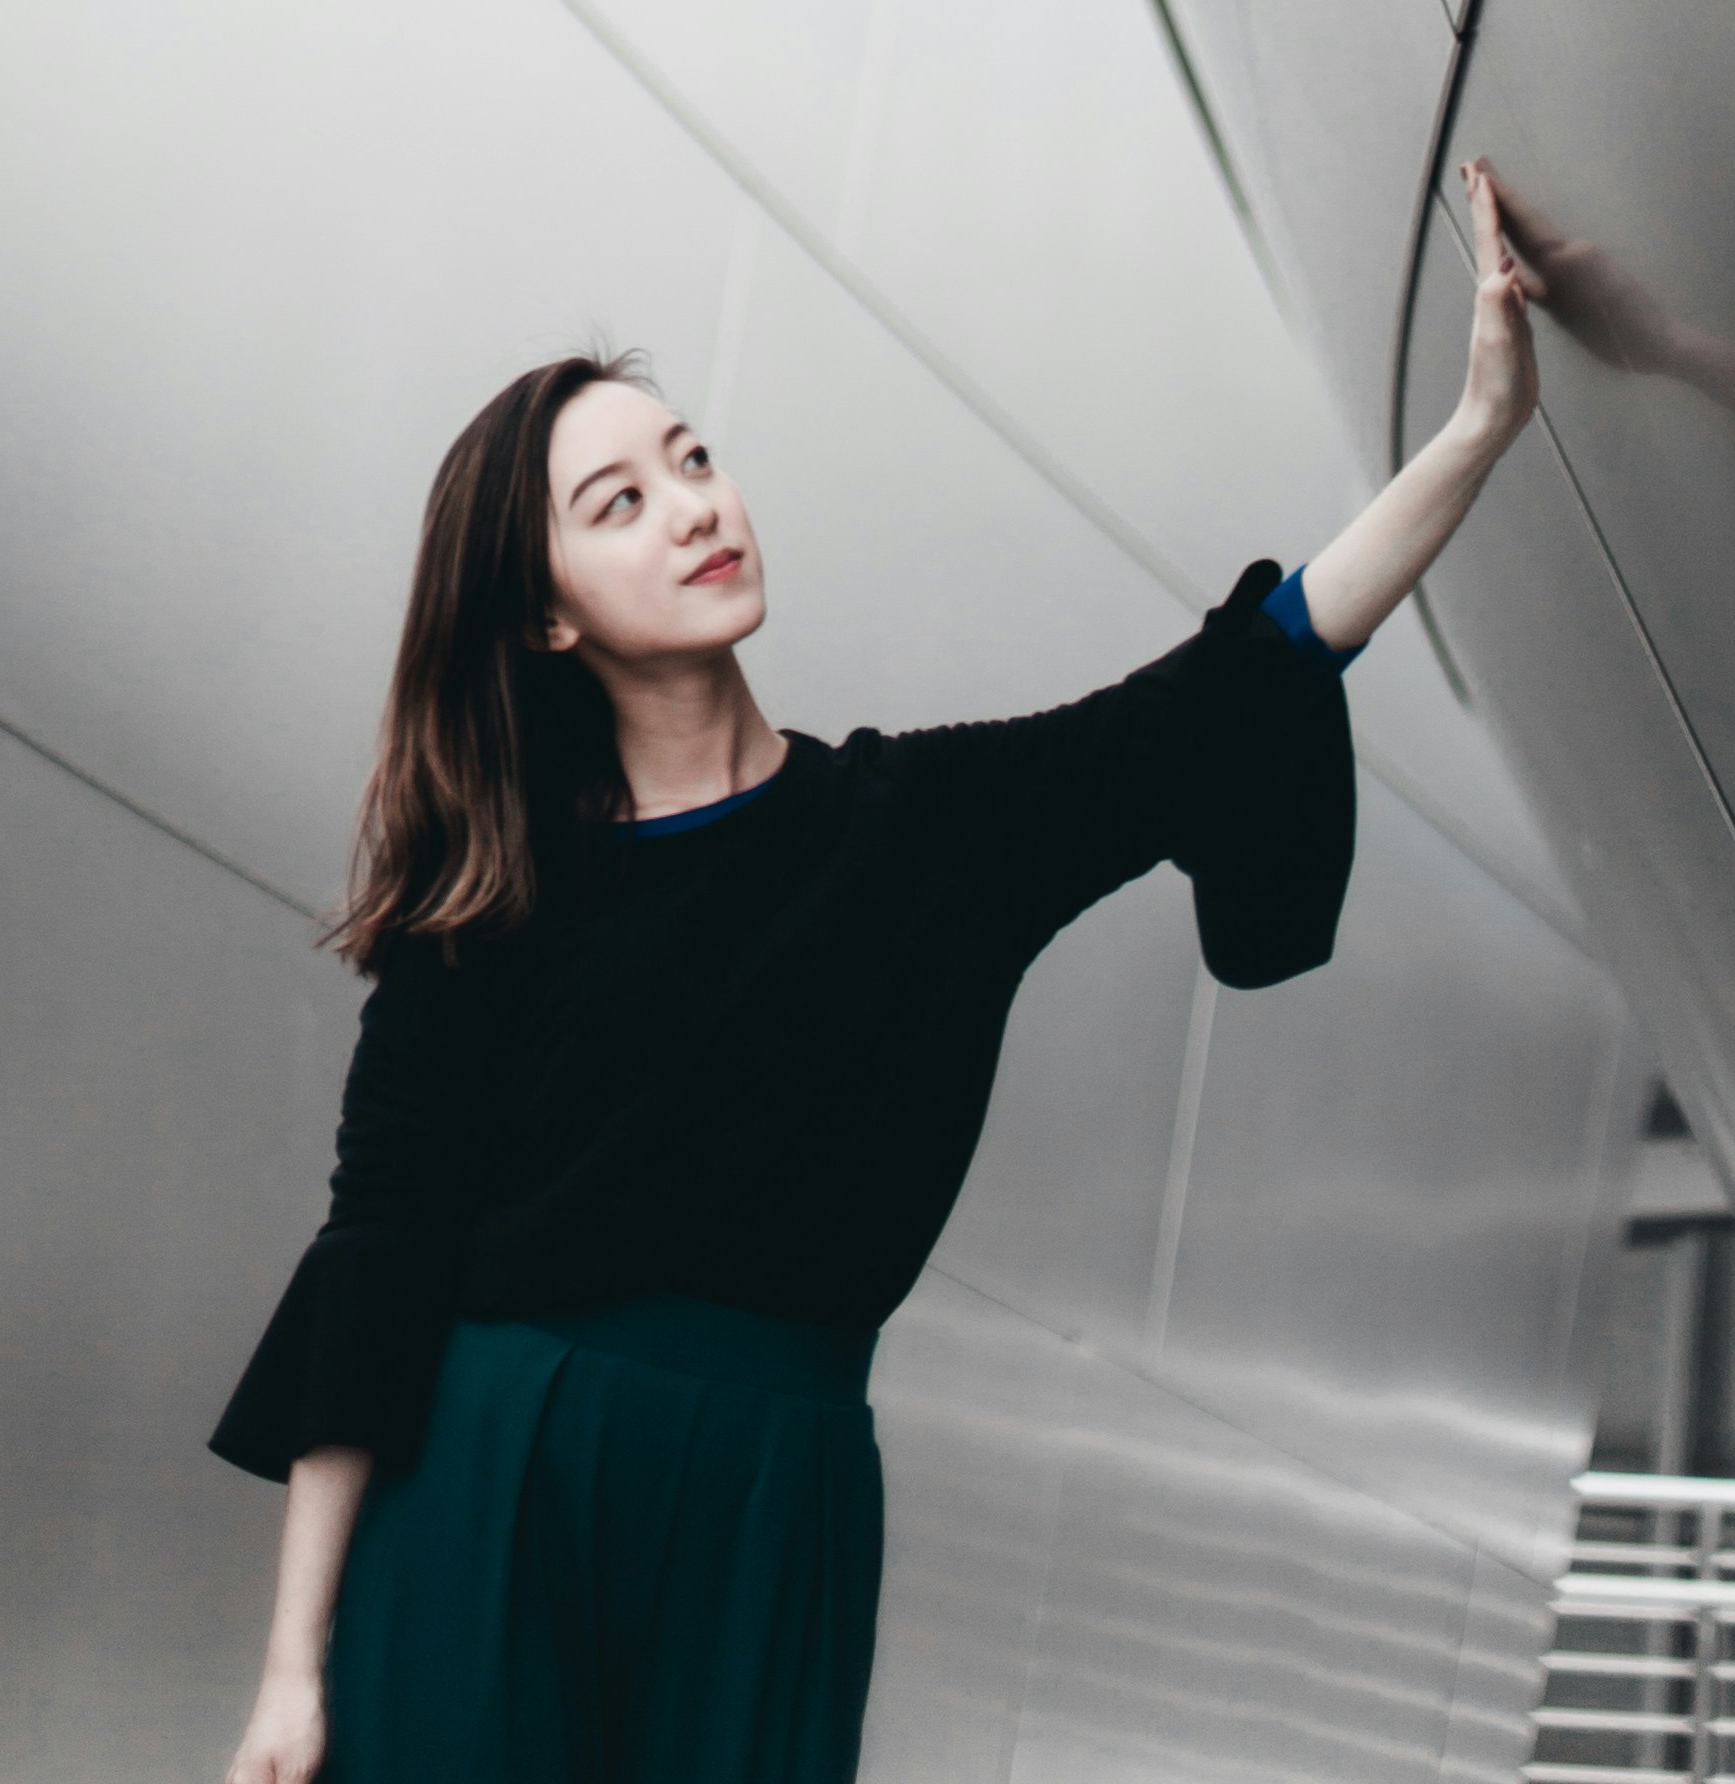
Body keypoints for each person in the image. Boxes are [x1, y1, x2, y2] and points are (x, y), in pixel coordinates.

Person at [208, 159, 1545, 1784]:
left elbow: (1242, 680)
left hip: (772, 1498)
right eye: (618, 503)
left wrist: (1479, 428)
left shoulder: (928, 830)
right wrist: (292, 1673)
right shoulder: (489, 900)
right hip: (490, 1479)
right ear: (546, 618)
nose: (693, 507)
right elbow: (379, 1254)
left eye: (692, 459)